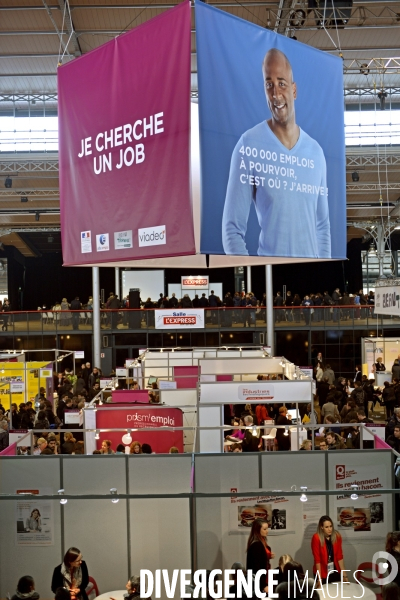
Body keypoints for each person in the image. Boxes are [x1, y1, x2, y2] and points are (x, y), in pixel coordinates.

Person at [222, 48, 330, 258]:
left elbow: (323, 226)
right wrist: (257, 277)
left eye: (282, 83)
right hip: (271, 280)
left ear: (294, 90)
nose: (276, 94)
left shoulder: (315, 153)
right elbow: (231, 229)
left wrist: (322, 270)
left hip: (311, 278)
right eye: (269, 85)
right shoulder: (248, 145)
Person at [311, 516, 348, 584]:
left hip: (335, 570)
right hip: (322, 572)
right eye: (326, 527)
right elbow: (317, 559)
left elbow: (340, 556)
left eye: (331, 526)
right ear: (321, 527)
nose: (330, 529)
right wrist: (319, 578)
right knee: (323, 593)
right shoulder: (316, 538)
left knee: (337, 592)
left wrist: (344, 575)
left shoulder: (337, 536)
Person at [246, 519, 275, 595]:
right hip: (258, 582)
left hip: (262, 579)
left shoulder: (262, 542)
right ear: (258, 530)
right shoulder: (256, 544)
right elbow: (256, 567)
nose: (267, 531)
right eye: (264, 529)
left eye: (267, 528)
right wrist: (263, 585)